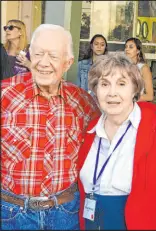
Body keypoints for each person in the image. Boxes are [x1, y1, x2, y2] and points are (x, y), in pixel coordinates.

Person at [77, 53, 156, 230]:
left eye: (122, 84)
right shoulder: (89, 131)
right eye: (104, 84)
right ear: (95, 90)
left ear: (135, 90)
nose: (112, 93)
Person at [1, 24, 101, 230]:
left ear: (68, 62)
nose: (44, 63)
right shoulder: (5, 95)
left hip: (66, 214)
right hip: (12, 215)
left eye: (53, 56)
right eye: (38, 54)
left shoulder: (83, 103)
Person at [124, 37, 154, 102]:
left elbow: (150, 96)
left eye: (131, 47)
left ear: (138, 51)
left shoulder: (144, 68)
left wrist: (130, 98)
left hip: (136, 105)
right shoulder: (122, 66)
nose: (127, 49)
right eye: (126, 47)